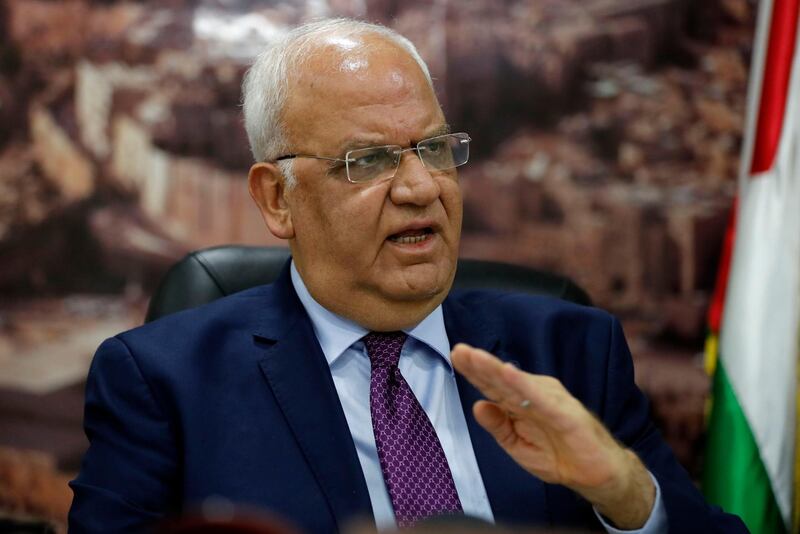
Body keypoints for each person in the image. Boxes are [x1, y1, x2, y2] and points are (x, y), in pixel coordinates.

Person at [68, 18, 746, 534]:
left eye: (433, 149)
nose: (423, 188)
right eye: (368, 161)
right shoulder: (163, 382)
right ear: (277, 199)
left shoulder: (571, 352)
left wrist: (627, 494)